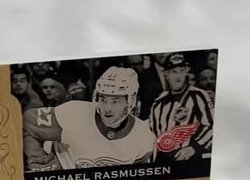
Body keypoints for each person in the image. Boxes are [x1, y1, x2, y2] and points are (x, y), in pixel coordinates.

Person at [23, 66, 155, 170]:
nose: (107, 108)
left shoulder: (143, 136)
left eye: (115, 101)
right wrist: (41, 161)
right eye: (103, 99)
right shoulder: (74, 113)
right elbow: (28, 121)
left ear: (130, 101)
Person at [149, 53, 215, 162]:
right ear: (166, 74)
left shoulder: (198, 95)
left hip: (188, 160)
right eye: (174, 72)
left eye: (181, 71)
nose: (178, 76)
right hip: (163, 160)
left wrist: (194, 148)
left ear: (186, 72)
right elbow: (152, 133)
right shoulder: (158, 102)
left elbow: (212, 125)